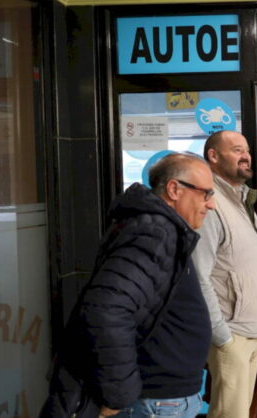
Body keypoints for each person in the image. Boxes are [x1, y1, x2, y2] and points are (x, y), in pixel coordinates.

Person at [40, 152, 216, 418]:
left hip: (165, 397)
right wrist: (119, 394)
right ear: (174, 189)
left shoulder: (164, 230)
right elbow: (106, 312)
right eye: (206, 193)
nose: (211, 204)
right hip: (154, 401)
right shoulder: (154, 234)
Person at [192, 130, 257, 418]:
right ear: (213, 156)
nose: (246, 156)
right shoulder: (211, 203)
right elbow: (198, 275)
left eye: (247, 150)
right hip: (232, 334)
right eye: (236, 150)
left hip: (249, 332)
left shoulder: (241, 199)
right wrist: (222, 336)